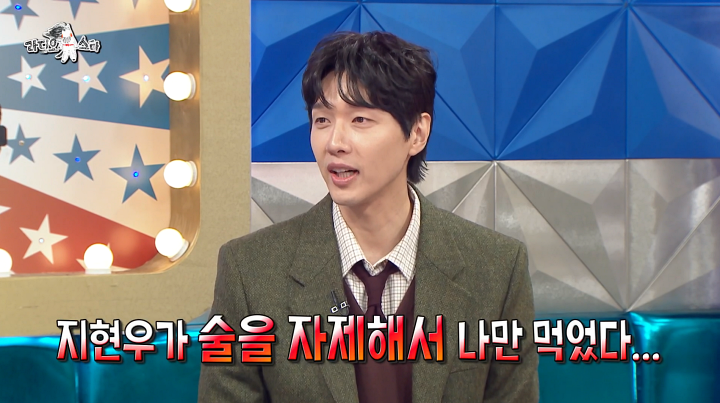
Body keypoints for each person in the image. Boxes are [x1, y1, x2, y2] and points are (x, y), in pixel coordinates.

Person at [198, 31, 538, 403]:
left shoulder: (497, 268)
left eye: (359, 119)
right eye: (322, 120)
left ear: (417, 133)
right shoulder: (249, 271)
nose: (334, 143)